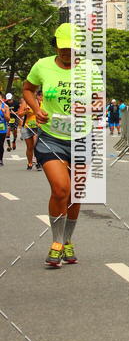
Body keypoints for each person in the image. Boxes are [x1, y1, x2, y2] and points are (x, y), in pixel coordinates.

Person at [22, 22, 100, 268]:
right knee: (60, 189)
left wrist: (87, 108)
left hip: (82, 138)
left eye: (72, 48)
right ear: (55, 45)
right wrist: (37, 109)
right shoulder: (42, 65)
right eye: (63, 47)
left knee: (75, 194)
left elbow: (99, 102)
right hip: (51, 137)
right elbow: (27, 89)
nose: (67, 52)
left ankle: (67, 240)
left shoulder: (90, 68)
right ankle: (56, 242)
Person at [18, 94, 40, 170]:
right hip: (27, 127)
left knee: (36, 145)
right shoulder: (25, 102)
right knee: (30, 147)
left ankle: (38, 162)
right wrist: (25, 112)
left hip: (37, 127)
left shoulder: (39, 102)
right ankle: (30, 162)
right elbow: (19, 114)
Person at [0, 92, 10, 166]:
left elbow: (8, 119)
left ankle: (0, 159)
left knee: (0, 145)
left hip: (2, 128)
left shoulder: (5, 106)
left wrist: (4, 112)